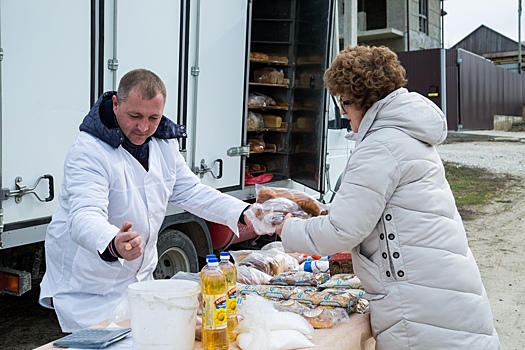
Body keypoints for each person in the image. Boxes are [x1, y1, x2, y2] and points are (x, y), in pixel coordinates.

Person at [275, 46, 501, 349]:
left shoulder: (380, 145)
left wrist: (285, 228)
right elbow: (376, 208)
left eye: (344, 102)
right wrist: (325, 210)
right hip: (441, 291)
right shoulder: (404, 134)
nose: (343, 112)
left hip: (419, 308)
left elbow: (342, 232)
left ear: (363, 100)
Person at [39, 68, 250, 332]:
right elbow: (83, 215)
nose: (144, 127)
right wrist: (112, 241)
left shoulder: (164, 143)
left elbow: (191, 192)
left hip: (138, 283)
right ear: (116, 104)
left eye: (154, 117)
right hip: (90, 289)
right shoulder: (88, 150)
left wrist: (245, 212)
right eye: (134, 116)